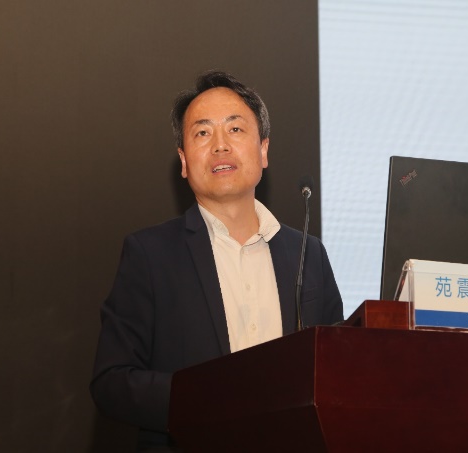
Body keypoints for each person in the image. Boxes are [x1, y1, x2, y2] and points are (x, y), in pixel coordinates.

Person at [90, 71, 344, 451]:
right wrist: (209, 397)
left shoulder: (309, 253)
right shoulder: (150, 254)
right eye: (203, 133)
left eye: (235, 129)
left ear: (263, 150)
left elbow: (337, 371)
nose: (220, 145)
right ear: (183, 161)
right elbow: (112, 381)